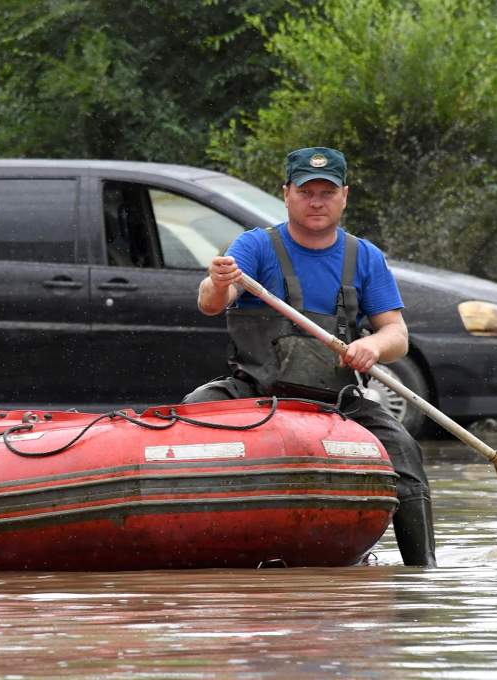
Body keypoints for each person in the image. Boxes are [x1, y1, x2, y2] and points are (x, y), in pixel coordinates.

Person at [183, 147, 435, 567]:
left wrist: (372, 345)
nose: (316, 201)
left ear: (345, 196)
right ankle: (199, 549)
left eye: (327, 192)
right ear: (286, 194)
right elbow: (213, 301)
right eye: (306, 191)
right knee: (192, 412)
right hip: (255, 391)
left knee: (405, 450)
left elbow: (397, 335)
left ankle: (422, 572)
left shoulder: (365, 257)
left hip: (337, 401)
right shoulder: (255, 246)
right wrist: (215, 282)